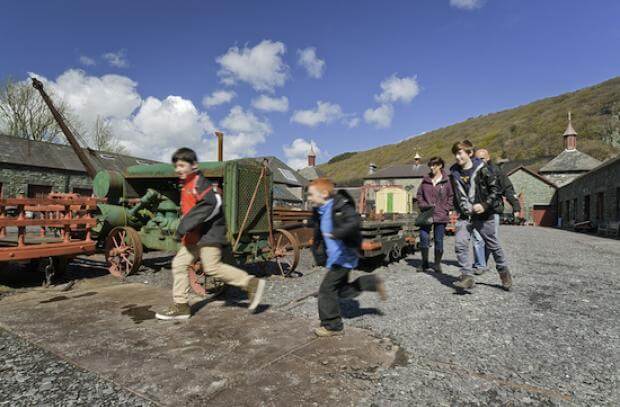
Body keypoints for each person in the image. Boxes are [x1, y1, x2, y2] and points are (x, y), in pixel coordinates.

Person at [155, 147, 266, 320]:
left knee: (212, 267)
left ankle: (251, 283)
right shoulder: (186, 185)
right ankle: (182, 306)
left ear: (194, 165)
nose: (178, 170)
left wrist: (183, 226)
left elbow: (212, 203)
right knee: (179, 264)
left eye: (182, 165)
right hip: (194, 236)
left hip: (208, 235)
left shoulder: (200, 183)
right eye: (176, 166)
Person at [308, 178, 387, 337]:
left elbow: (353, 222)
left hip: (344, 257)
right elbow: (316, 223)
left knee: (326, 290)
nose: (309, 198)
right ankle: (371, 281)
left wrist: (337, 233)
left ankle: (333, 326)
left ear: (324, 194)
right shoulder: (320, 210)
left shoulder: (340, 206)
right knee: (342, 291)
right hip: (335, 258)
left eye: (311, 194)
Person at [449, 140, 513, 290]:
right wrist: (457, 208)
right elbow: (456, 194)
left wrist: (485, 205)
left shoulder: (483, 169)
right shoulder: (454, 172)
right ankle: (467, 276)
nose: (457, 157)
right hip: (465, 215)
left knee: (493, 244)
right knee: (460, 244)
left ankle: (504, 273)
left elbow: (495, 190)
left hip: (484, 216)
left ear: (470, 153)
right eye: (455, 154)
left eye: (460, 153)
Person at [471, 148, 522, 275]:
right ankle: (479, 265)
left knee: (490, 239)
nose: (479, 161)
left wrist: (516, 207)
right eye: (476, 159)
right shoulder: (472, 173)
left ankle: (484, 262)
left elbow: (508, 190)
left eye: (481, 158)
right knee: (477, 239)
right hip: (477, 211)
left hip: (493, 210)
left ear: (488, 158)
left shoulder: (497, 172)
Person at [415, 156, 454, 273]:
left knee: (439, 240)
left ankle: (437, 264)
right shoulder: (425, 180)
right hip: (426, 213)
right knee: (423, 237)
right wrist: (422, 205)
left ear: (440, 166)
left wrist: (446, 208)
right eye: (430, 165)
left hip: (441, 214)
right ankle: (424, 263)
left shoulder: (446, 181)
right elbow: (419, 195)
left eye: (434, 165)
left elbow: (451, 197)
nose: (432, 167)